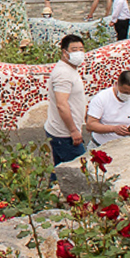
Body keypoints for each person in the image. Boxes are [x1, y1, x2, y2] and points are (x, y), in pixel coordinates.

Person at [44, 34, 89, 168]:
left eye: (81, 49)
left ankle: (53, 188)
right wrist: (73, 130)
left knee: (59, 171)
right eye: (74, 50)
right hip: (64, 134)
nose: (79, 53)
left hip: (63, 132)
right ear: (65, 52)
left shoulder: (70, 70)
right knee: (78, 171)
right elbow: (62, 105)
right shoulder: (63, 74)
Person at [87, 69, 130, 137]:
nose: (128, 95)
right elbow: (90, 125)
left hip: (129, 144)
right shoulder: (101, 98)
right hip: (102, 144)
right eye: (125, 92)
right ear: (116, 84)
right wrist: (113, 129)